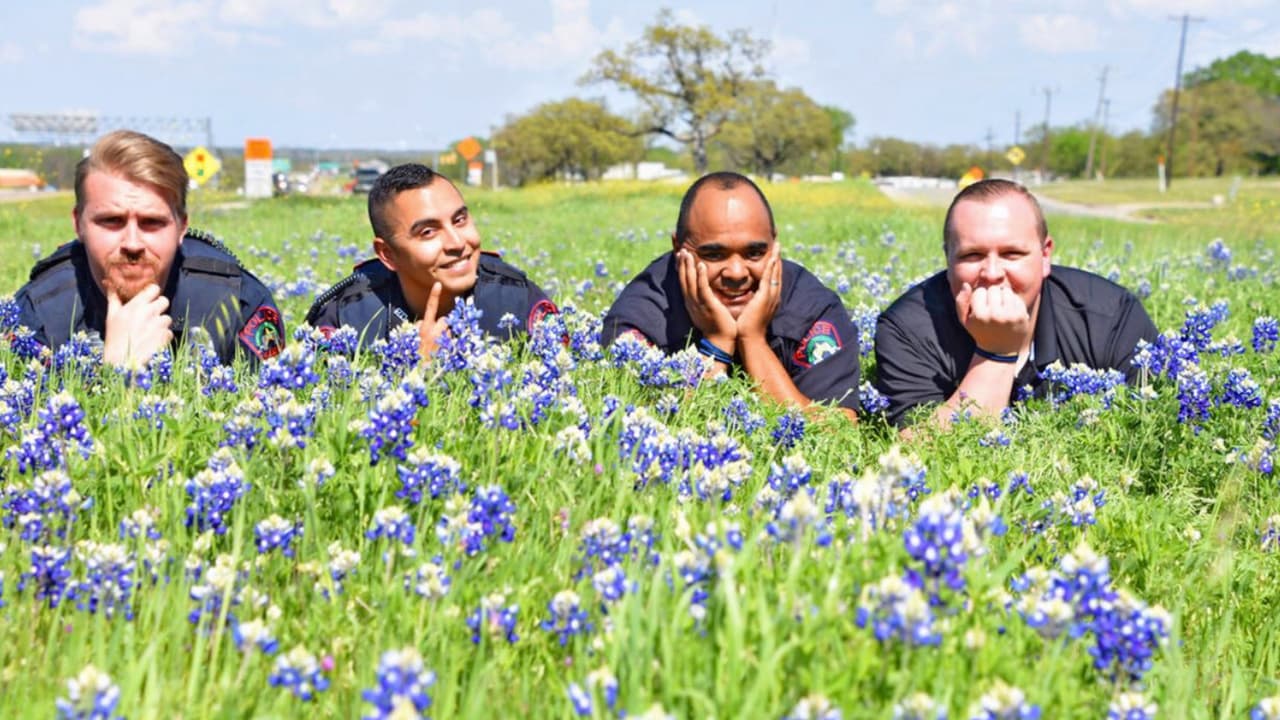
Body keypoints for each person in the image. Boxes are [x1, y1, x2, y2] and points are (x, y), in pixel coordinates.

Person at [873, 178, 1158, 428]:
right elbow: (920, 456)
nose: (993, 273)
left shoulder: (1110, 316)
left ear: (1045, 255)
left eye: (1011, 254)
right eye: (972, 255)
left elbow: (1146, 431)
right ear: (948, 259)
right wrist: (996, 352)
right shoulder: (907, 327)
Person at [14, 130, 283, 368]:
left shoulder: (237, 302)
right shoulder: (37, 314)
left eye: (152, 222)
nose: (133, 243)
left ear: (182, 227)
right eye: (111, 221)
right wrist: (116, 371)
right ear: (78, 224)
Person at [601, 171, 861, 416]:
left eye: (754, 253)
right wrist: (717, 343)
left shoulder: (811, 308)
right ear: (678, 248)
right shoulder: (642, 317)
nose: (736, 273)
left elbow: (836, 432)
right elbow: (648, 433)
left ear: (774, 243)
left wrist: (753, 340)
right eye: (713, 254)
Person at [306, 163, 557, 354]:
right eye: (428, 232)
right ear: (388, 255)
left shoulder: (518, 301)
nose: (457, 243)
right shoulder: (346, 318)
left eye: (459, 220)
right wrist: (414, 370)